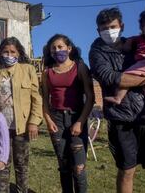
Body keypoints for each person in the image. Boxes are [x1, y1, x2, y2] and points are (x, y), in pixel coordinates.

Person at [89, 7, 145, 193]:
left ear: (122, 26)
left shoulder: (140, 43)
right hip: (121, 119)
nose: (108, 31)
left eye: (112, 26)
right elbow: (110, 77)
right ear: (97, 31)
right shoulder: (96, 52)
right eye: (104, 28)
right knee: (127, 171)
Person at [0, 36, 43, 193]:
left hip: (22, 126)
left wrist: (34, 122)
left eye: (12, 52)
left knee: (21, 164)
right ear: (0, 53)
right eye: (5, 51)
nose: (9, 55)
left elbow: (36, 98)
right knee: (2, 162)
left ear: (19, 53)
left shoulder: (28, 70)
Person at [42, 34, 94, 193]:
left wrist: (80, 121)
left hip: (76, 118)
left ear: (69, 48)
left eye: (60, 47)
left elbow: (90, 97)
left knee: (78, 168)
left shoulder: (80, 67)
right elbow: (44, 98)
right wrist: (48, 119)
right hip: (56, 119)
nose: (57, 50)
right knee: (64, 167)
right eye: (53, 48)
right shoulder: (47, 72)